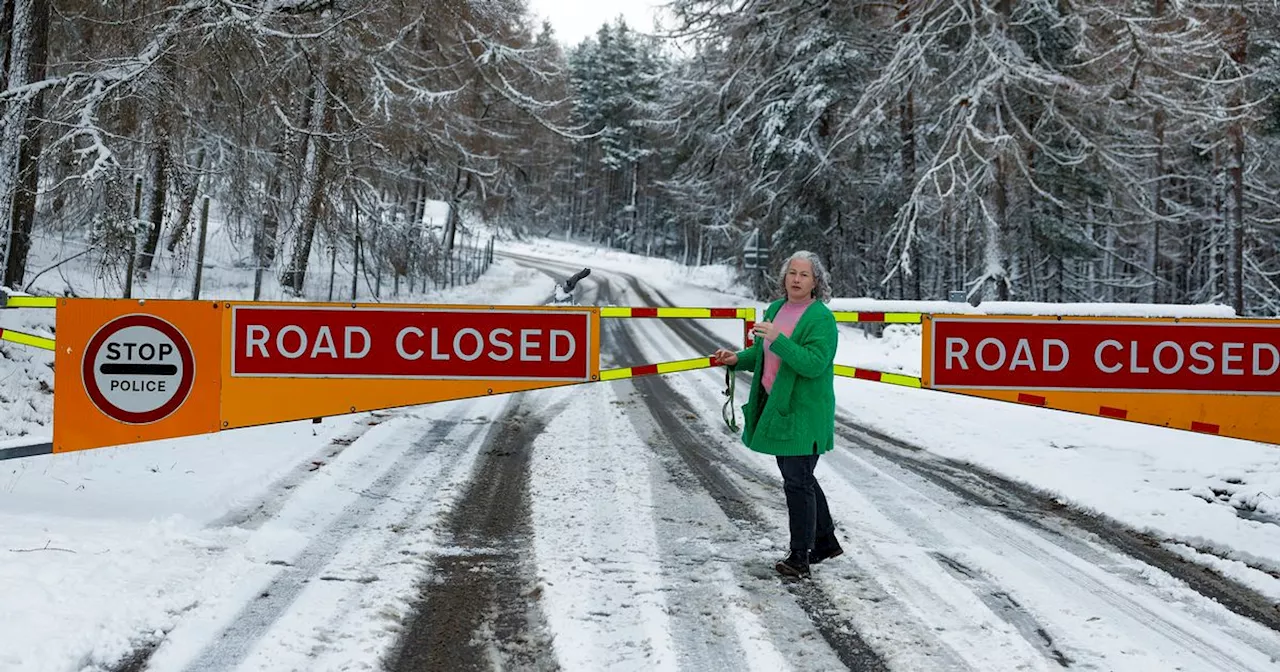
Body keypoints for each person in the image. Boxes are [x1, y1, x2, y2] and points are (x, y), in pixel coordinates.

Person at [713, 250, 842, 579]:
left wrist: (778, 339)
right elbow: (762, 352)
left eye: (804, 275)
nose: (796, 279)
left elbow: (813, 364)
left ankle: (800, 556)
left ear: (816, 283)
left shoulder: (820, 319)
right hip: (779, 410)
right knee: (801, 478)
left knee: (797, 482)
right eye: (792, 273)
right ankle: (824, 541)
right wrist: (735, 359)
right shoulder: (775, 309)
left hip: (805, 412)